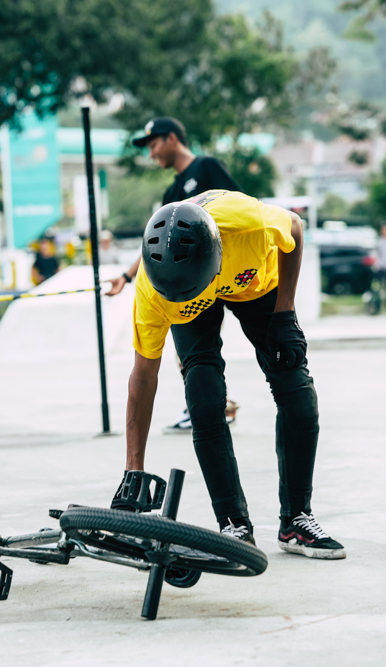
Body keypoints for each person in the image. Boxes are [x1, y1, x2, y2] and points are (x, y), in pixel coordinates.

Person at [111, 190, 346, 560]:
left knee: (296, 387)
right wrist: (133, 470)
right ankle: (234, 525)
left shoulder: (249, 225)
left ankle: (296, 520)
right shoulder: (156, 291)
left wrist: (285, 312)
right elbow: (143, 376)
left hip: (254, 282)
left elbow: (295, 228)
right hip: (191, 299)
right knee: (203, 395)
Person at [105, 117, 242, 432]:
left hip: (222, 275)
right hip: (192, 284)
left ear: (171, 138)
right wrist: (126, 277)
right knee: (190, 351)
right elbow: (159, 245)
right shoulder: (172, 192)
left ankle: (214, 405)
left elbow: (239, 208)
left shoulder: (207, 167)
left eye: (154, 145)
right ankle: (210, 405)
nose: (151, 154)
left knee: (204, 350)